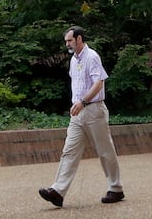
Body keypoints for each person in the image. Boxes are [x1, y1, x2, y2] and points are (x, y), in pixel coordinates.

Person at [38, 26, 124, 207]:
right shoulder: (73, 60)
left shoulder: (92, 56)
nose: (67, 44)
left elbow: (99, 84)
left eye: (69, 40)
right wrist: (76, 104)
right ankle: (58, 192)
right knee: (69, 151)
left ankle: (116, 189)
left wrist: (83, 102)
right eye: (66, 41)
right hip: (78, 113)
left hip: (93, 110)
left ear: (79, 39)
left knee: (105, 151)